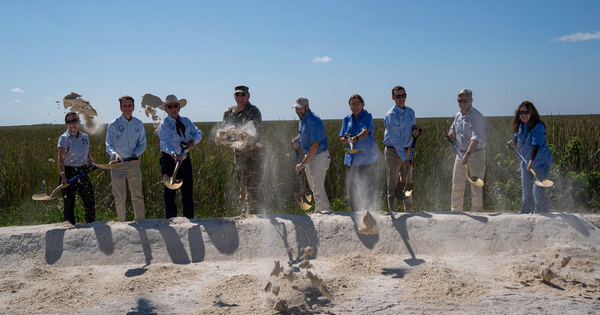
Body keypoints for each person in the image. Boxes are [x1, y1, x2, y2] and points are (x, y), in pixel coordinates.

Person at [156, 94, 202, 219]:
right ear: (166, 109)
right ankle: (171, 221)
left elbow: (198, 132)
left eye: (175, 106)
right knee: (170, 193)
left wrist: (193, 141)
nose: (173, 108)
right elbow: (166, 142)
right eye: (169, 106)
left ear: (179, 107)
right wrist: (174, 154)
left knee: (187, 192)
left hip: (185, 159)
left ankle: (189, 219)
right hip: (169, 160)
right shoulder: (163, 125)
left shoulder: (186, 121)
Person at [222, 85, 264, 214]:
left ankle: (254, 213)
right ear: (234, 96)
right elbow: (225, 130)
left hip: (254, 154)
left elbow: (253, 124)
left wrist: (242, 130)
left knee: (254, 185)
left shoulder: (254, 111)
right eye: (237, 95)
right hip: (239, 155)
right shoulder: (229, 112)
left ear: (248, 96)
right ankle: (244, 212)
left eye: (243, 95)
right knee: (242, 184)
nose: (240, 97)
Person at [105, 95, 147, 221]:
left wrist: (136, 154)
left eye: (129, 105)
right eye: (125, 106)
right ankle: (122, 224)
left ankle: (140, 221)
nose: (127, 108)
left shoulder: (138, 124)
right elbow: (109, 144)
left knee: (137, 195)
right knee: (120, 196)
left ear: (133, 107)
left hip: (133, 163)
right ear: (120, 108)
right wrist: (115, 155)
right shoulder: (114, 124)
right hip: (117, 164)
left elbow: (142, 143)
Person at [508, 101, 553, 214]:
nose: (523, 115)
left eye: (526, 112)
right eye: (521, 112)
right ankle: (526, 216)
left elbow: (536, 144)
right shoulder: (520, 125)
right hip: (525, 163)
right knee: (526, 193)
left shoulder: (538, 126)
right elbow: (516, 136)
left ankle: (541, 216)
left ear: (532, 112)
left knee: (537, 191)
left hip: (540, 164)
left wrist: (531, 160)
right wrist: (512, 142)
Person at [447, 88, 488, 212]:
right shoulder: (458, 115)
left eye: (465, 101)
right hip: (460, 153)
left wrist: (468, 155)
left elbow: (475, 140)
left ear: (471, 100)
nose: (462, 103)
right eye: (460, 101)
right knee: (457, 185)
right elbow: (452, 128)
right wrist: (451, 134)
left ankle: (477, 212)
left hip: (475, 154)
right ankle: (456, 211)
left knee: (476, 185)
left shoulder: (476, 117)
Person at [339, 94, 379, 212]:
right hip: (351, 159)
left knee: (368, 187)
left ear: (362, 104)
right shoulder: (346, 119)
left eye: (357, 103)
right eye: (352, 104)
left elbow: (366, 131)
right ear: (349, 106)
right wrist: (346, 139)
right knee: (353, 188)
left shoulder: (368, 116)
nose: (355, 106)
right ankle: (355, 213)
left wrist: (355, 138)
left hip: (368, 159)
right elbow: (342, 137)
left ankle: (369, 213)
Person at [292, 97, 331, 212]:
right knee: (314, 187)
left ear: (306, 107)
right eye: (296, 109)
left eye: (300, 109)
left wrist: (303, 163)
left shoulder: (314, 121)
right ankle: (323, 211)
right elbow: (305, 133)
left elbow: (315, 145)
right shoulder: (302, 119)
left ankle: (322, 213)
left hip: (318, 156)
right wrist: (297, 139)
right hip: (309, 155)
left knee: (318, 188)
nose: (298, 111)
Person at [383, 86, 418, 213]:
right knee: (392, 184)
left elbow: (411, 127)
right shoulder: (391, 115)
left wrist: (415, 129)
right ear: (393, 97)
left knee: (408, 181)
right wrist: (404, 159)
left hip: (408, 150)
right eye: (398, 96)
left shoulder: (410, 112)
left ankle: (408, 210)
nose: (401, 98)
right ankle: (393, 213)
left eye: (403, 95)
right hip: (393, 152)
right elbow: (396, 140)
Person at [57, 112, 95, 224]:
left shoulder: (85, 137)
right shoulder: (64, 138)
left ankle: (91, 224)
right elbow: (60, 159)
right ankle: (69, 228)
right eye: (69, 121)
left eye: (74, 120)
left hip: (82, 172)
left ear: (78, 122)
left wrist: (91, 162)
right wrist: (63, 176)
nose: (72, 123)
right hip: (68, 172)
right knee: (69, 204)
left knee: (90, 201)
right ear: (66, 123)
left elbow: (87, 153)